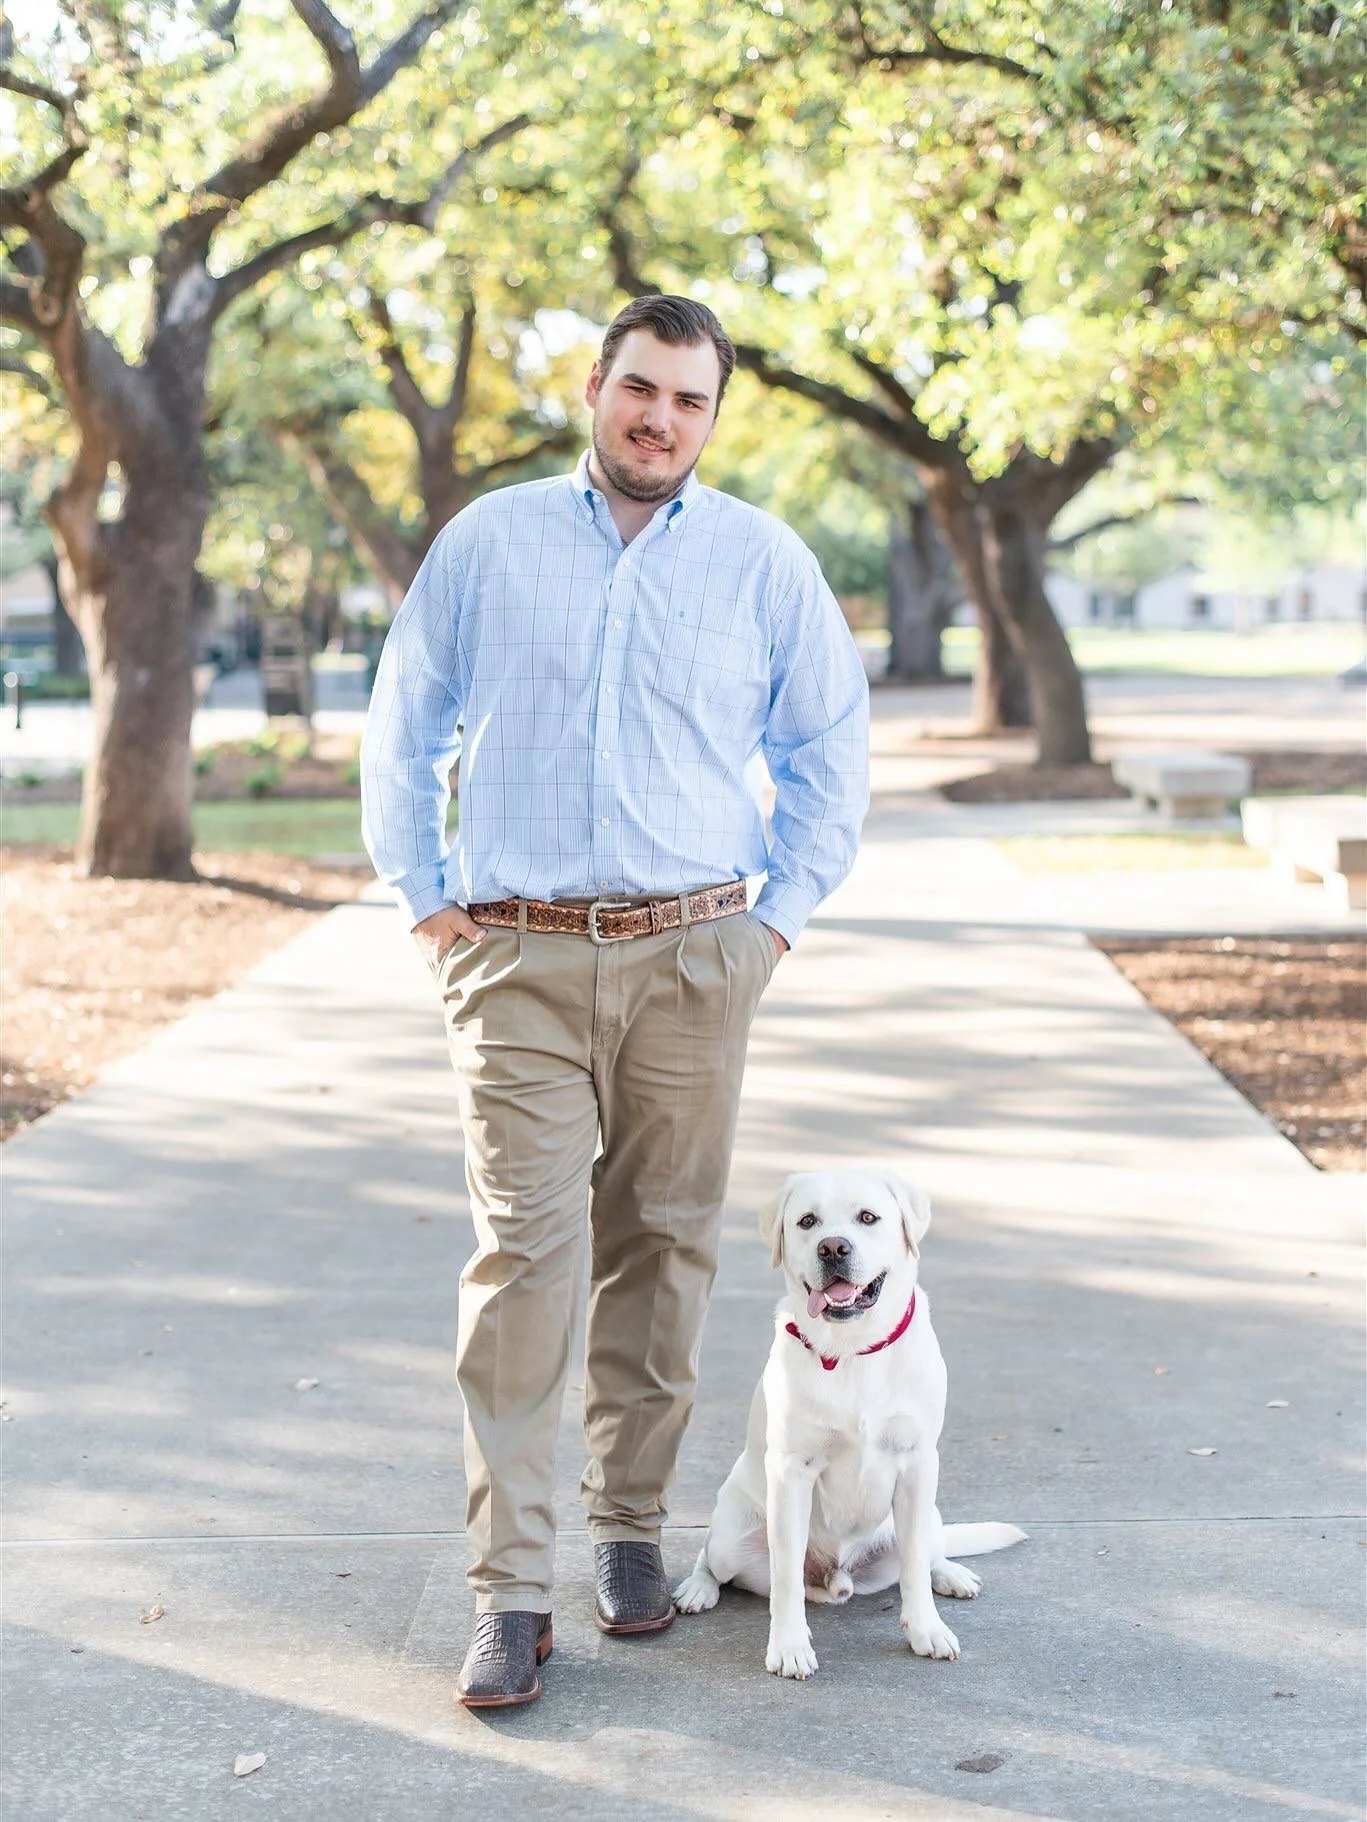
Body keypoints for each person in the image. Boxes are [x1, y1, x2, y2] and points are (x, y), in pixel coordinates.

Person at [360, 294, 869, 1709]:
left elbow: (829, 748)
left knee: (661, 1246)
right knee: (524, 1263)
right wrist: (425, 900)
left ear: (712, 416)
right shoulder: (488, 541)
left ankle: (631, 1526)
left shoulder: (763, 561)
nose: (660, 419)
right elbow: (404, 719)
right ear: (596, 386)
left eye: (689, 400)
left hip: (694, 955)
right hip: (514, 956)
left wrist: (775, 921)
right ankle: (509, 1591)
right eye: (641, 389)